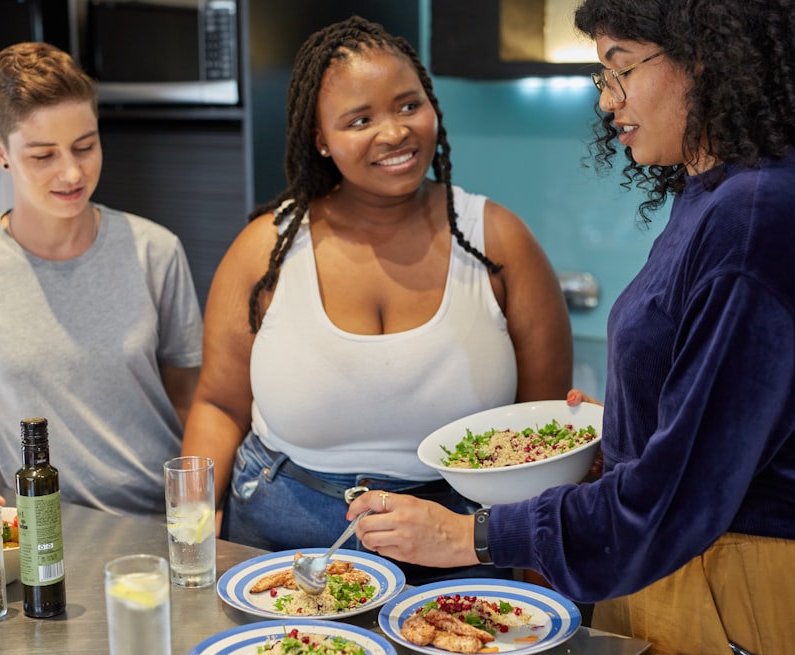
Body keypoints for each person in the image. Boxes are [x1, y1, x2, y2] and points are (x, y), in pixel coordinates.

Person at [348, 1, 795, 655]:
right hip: (687, 569)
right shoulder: (716, 194)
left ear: (704, 55)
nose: (607, 101)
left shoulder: (754, 221)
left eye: (619, 69)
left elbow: (678, 495)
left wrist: (467, 537)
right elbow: (713, 422)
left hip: (742, 589)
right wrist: (626, 426)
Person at [180, 16, 573, 583]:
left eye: (409, 105)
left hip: (458, 538)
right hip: (278, 545)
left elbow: (544, 430)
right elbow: (217, 404)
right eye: (360, 119)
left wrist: (538, 569)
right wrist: (192, 526)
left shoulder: (499, 242)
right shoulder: (264, 250)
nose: (393, 133)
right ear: (319, 137)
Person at [0, 42, 203, 525]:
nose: (72, 172)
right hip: (35, 529)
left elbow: (191, 398)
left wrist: (201, 506)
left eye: (86, 146)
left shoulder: (156, 250)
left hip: (157, 522)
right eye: (43, 155)